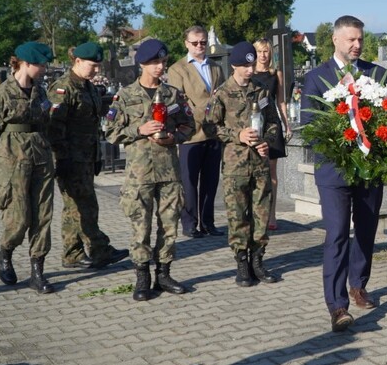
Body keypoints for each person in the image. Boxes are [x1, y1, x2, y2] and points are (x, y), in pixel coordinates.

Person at [300, 15, 385, 332]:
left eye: (360, 39)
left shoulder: (376, 74)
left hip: (369, 171)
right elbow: (309, 124)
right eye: (350, 39)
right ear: (335, 40)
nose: (357, 44)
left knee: (366, 229)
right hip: (335, 172)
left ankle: (358, 284)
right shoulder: (316, 77)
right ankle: (337, 306)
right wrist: (340, 143)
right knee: (336, 234)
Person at [104, 39, 195, 302]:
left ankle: (164, 274)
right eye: (155, 62)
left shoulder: (172, 95)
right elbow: (110, 131)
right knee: (140, 227)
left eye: (163, 62)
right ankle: (142, 277)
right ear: (142, 64)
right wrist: (138, 130)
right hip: (139, 174)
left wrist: (173, 138)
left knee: (169, 227)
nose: (160, 67)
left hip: (168, 172)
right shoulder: (126, 96)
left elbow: (188, 125)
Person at [203, 42, 281, 286]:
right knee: (238, 216)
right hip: (235, 165)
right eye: (245, 65)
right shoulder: (222, 93)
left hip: (259, 163)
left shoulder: (261, 90)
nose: (250, 69)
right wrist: (237, 135)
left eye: (252, 64)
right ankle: (241, 263)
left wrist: (266, 141)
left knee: (261, 213)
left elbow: (272, 122)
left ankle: (257, 261)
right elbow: (210, 126)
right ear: (234, 65)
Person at [48, 42, 129, 270]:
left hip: (87, 156)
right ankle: (98, 249)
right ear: (78, 61)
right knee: (84, 205)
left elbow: (93, 123)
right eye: (93, 66)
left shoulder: (88, 87)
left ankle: (74, 252)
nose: (96, 71)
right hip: (71, 158)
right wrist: (62, 159)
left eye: (98, 66)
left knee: (76, 206)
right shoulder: (63, 88)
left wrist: (96, 156)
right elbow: (54, 128)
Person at [0, 42, 56, 294]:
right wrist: (5, 157)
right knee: (19, 217)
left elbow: (45, 121)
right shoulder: (1, 92)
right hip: (12, 159)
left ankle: (37, 271)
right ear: (25, 63)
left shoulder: (40, 91)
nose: (45, 69)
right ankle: (5, 252)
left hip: (41, 156)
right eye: (41, 65)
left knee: (43, 215)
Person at [167, 26, 225, 238]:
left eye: (202, 42)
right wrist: (201, 111)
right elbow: (177, 102)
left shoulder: (216, 67)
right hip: (191, 134)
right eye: (195, 43)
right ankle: (189, 223)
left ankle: (208, 222)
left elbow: (222, 95)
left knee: (210, 181)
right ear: (186, 44)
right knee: (189, 181)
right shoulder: (177, 69)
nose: (200, 46)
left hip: (213, 132)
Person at [252, 38, 292, 231]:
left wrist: (287, 125)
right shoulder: (249, 73)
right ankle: (255, 211)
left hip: (272, 124)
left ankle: (272, 213)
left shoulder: (276, 74)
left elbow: (281, 101)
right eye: (260, 51)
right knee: (254, 170)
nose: (263, 55)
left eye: (266, 51)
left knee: (271, 171)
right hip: (254, 123)